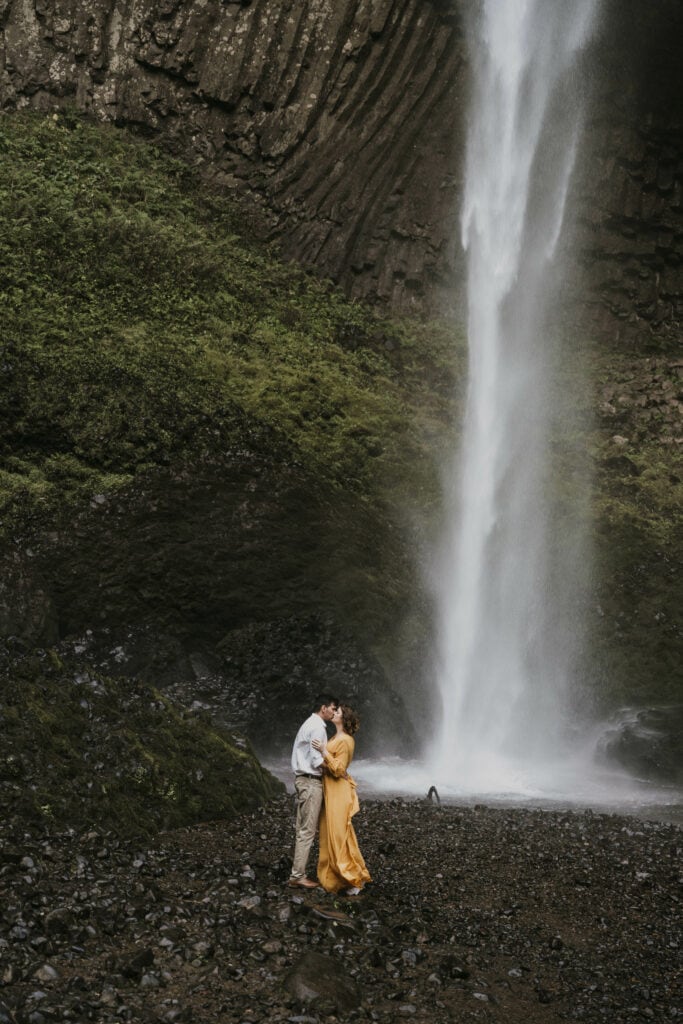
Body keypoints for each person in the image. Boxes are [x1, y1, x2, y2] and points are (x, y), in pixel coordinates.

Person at [312, 703, 371, 895]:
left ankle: (353, 878)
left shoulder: (346, 740)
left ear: (343, 719)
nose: (334, 712)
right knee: (329, 833)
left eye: (337, 712)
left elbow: (339, 769)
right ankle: (335, 879)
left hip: (339, 791)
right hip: (331, 790)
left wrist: (324, 751)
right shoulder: (337, 736)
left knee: (339, 834)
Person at [288, 693, 339, 889]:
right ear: (323, 708)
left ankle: (297, 873)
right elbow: (316, 761)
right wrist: (337, 770)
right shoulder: (318, 727)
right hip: (311, 782)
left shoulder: (309, 723)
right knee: (307, 830)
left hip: (304, 781)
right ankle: (297, 876)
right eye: (333, 708)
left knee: (303, 829)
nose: (334, 712)